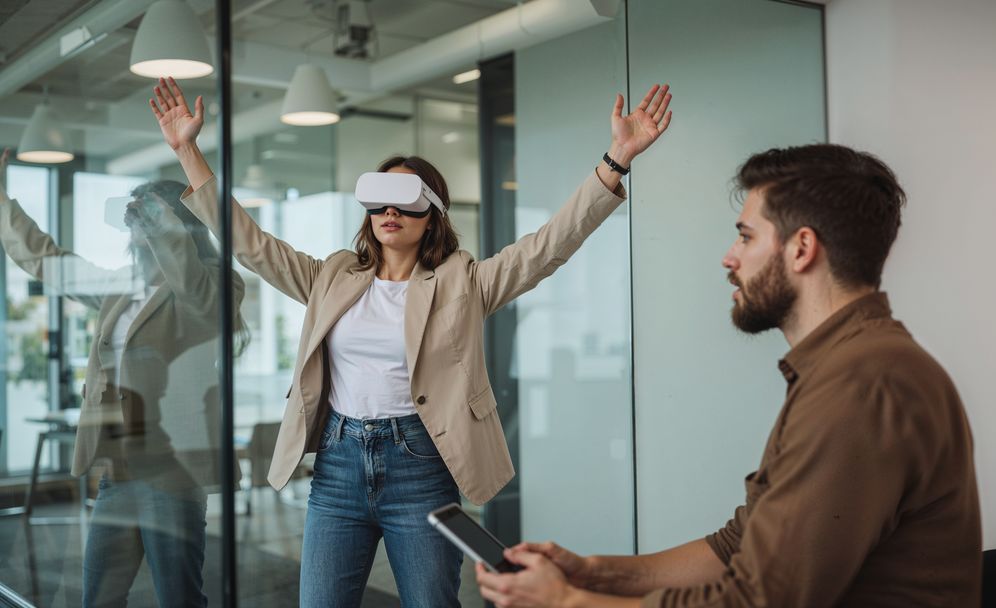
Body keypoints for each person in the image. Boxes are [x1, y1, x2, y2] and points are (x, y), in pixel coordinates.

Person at [147, 76, 672, 607]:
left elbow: (547, 247)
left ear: (433, 213)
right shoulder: (332, 275)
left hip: (419, 464)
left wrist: (616, 159)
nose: (389, 212)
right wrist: (188, 150)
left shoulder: (462, 282)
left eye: (405, 200)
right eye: (378, 200)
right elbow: (251, 245)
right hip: (338, 467)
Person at [475, 143, 982, 608]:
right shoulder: (851, 366)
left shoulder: (863, 385)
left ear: (801, 249)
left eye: (745, 236)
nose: (729, 257)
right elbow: (734, 547)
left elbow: (756, 604)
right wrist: (591, 573)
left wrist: (566, 602)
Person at [0, 149, 247, 607]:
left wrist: (162, 228)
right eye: (135, 217)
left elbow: (194, 295)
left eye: (149, 215)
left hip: (173, 470)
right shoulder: (123, 286)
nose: (137, 227)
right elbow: (46, 260)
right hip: (118, 469)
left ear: (181, 224)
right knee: (100, 596)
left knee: (179, 597)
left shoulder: (218, 284)